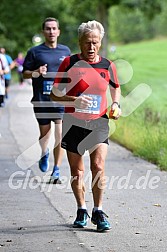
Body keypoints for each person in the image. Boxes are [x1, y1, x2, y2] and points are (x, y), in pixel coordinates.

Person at [50, 20, 121, 231]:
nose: (91, 47)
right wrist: (73, 101)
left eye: (95, 42)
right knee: (77, 171)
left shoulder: (108, 65)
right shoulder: (69, 63)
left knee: (98, 165)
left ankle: (98, 211)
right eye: (87, 42)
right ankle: (81, 208)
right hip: (73, 123)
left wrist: (116, 103)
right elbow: (54, 94)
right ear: (80, 42)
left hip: (99, 122)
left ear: (100, 43)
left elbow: (115, 88)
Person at [23, 17, 71, 183]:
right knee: (45, 134)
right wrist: (36, 72)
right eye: (48, 29)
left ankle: (56, 170)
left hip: (60, 100)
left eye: (54, 28)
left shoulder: (65, 51)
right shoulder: (35, 52)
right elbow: (24, 74)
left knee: (60, 134)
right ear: (43, 32)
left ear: (58, 31)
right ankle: (44, 153)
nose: (51, 31)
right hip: (41, 99)